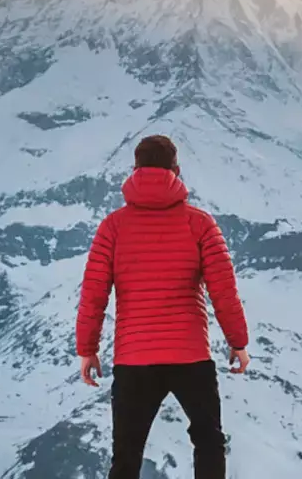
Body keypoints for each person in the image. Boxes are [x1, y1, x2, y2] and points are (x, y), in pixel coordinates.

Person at [76, 135, 250, 479]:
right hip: (190, 356)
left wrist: (87, 349)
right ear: (177, 171)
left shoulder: (113, 227)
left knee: (126, 454)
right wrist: (238, 342)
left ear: (135, 170)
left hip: (134, 358)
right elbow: (224, 290)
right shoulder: (199, 223)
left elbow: (94, 292)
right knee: (208, 442)